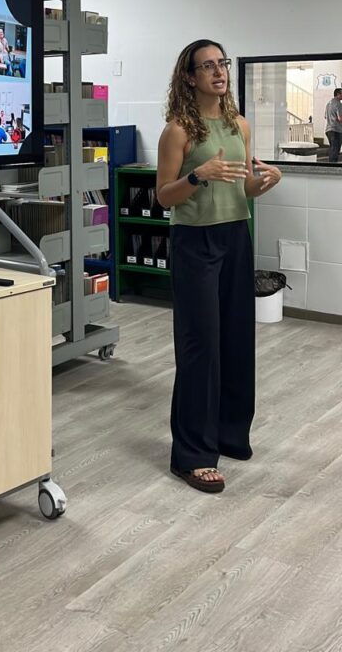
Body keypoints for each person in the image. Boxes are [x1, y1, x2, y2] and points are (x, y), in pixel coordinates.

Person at [156, 39, 282, 495]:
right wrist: (196, 175)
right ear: (189, 77)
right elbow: (164, 195)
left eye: (221, 63)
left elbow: (242, 190)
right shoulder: (178, 130)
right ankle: (191, 454)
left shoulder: (239, 125)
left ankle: (229, 434)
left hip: (235, 236)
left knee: (235, 340)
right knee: (200, 346)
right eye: (207, 66)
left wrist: (266, 182)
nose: (218, 71)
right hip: (195, 242)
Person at [324, 88, 342, 163]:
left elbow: (325, 116)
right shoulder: (338, 103)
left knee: (332, 149)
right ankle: (333, 168)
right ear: (338, 94)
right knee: (335, 150)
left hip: (328, 129)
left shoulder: (328, 103)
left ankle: (330, 167)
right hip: (336, 130)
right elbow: (340, 118)